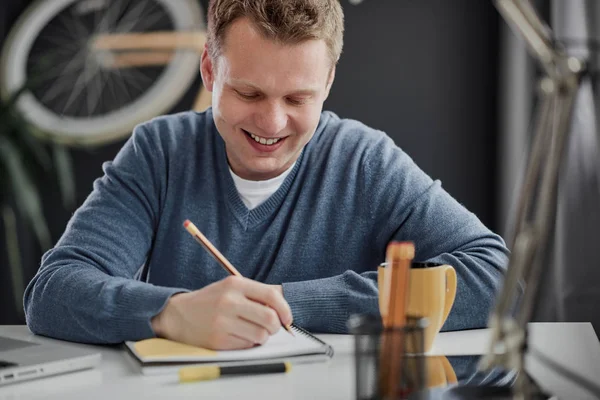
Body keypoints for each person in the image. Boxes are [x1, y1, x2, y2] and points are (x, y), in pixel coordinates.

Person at [23, 0, 509, 350]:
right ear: (211, 72)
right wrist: (170, 313)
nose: (272, 125)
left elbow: (497, 277)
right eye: (249, 94)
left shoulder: (364, 160)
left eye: (298, 99)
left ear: (328, 82)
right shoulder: (161, 153)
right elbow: (53, 291)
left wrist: (288, 303)